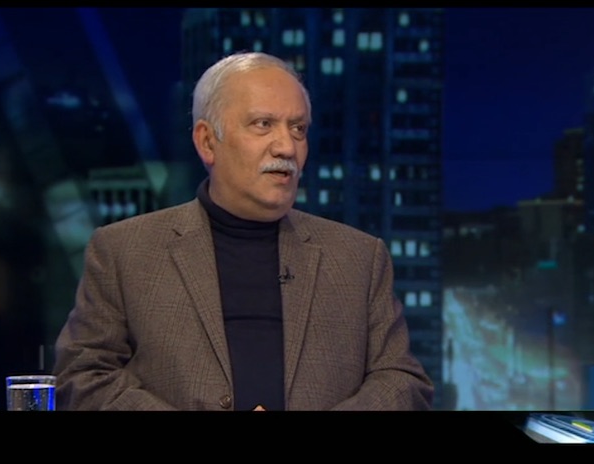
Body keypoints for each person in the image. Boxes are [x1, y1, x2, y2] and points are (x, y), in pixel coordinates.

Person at [52, 51, 434, 411]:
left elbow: (402, 381)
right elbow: (84, 376)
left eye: (298, 128)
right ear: (207, 141)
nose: (286, 147)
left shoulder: (358, 258)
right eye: (263, 124)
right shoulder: (125, 251)